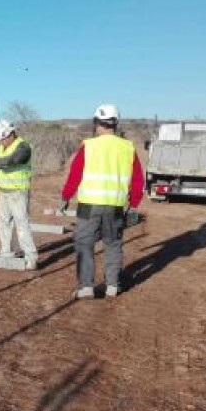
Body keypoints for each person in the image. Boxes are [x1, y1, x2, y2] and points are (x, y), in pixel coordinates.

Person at [59, 104, 144, 299]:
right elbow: (138, 179)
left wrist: (65, 197)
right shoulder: (127, 147)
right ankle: (112, 286)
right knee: (113, 244)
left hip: (89, 205)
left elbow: (75, 175)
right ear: (115, 124)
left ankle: (86, 287)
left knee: (84, 244)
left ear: (97, 123)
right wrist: (134, 204)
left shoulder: (89, 146)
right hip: (114, 206)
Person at [0, 119, 38, 270]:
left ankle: (31, 257)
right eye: (0, 139)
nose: (1, 142)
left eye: (3, 138)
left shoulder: (23, 146)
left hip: (18, 191)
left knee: (21, 223)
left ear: (10, 134)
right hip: (4, 191)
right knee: (3, 223)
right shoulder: (0, 147)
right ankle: (6, 252)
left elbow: (14, 159)